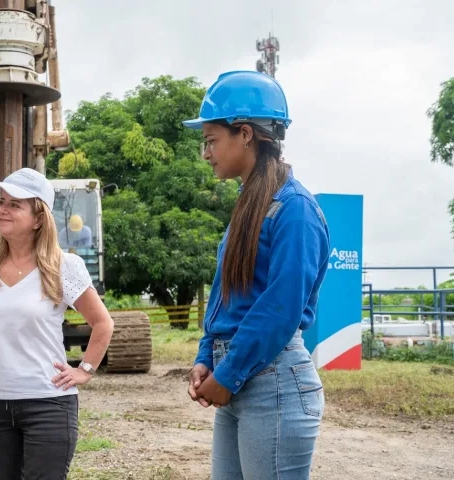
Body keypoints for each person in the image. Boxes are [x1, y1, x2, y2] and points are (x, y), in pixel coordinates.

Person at [181, 70, 330, 479]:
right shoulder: (251, 204)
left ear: (245, 133)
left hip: (274, 384)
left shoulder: (294, 208)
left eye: (211, 140)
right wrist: (206, 355)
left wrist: (227, 373)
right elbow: (225, 291)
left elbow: (280, 307)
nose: (206, 153)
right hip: (241, 375)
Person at [0, 167, 115, 480]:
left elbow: (102, 323)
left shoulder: (63, 267)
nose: (3, 209)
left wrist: (84, 370)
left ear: (39, 217)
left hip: (49, 406)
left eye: (16, 204)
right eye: (2, 201)